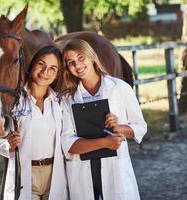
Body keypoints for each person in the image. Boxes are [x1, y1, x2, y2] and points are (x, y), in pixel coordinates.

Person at [57, 39, 147, 200]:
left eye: (81, 58)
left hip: (115, 169)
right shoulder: (67, 99)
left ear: (92, 57)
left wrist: (120, 127)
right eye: (71, 62)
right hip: (82, 171)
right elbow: (68, 144)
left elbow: (140, 127)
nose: (77, 65)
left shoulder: (120, 88)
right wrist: (105, 143)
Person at [0, 45, 68, 200]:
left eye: (53, 68)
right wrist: (9, 146)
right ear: (32, 65)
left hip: (55, 175)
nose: (46, 72)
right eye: (41, 64)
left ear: (58, 74)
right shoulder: (14, 100)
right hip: (26, 174)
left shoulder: (59, 102)